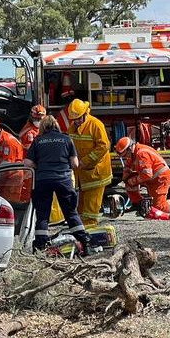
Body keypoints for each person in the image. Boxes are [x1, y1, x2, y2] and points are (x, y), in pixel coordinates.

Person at [23, 116, 90, 252]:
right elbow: (75, 164)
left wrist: (40, 166)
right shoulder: (66, 139)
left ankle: (40, 247)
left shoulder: (38, 141)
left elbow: (27, 163)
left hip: (43, 180)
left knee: (42, 215)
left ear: (43, 127)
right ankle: (85, 243)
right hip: (63, 180)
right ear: (57, 126)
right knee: (71, 213)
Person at [115, 137, 170, 218]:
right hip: (152, 179)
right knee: (129, 181)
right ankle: (138, 204)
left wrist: (133, 181)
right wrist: (126, 177)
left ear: (129, 149)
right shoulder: (132, 154)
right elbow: (128, 166)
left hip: (161, 178)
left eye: (125, 154)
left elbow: (147, 174)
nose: (126, 157)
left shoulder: (142, 154)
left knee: (159, 207)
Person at [65, 98, 112, 227]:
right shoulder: (72, 128)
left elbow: (103, 146)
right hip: (83, 175)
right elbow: (69, 146)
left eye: (79, 118)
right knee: (81, 209)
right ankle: (82, 231)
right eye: (74, 119)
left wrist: (85, 161)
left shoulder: (95, 125)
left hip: (96, 174)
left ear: (86, 113)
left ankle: (90, 232)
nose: (76, 122)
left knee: (90, 212)